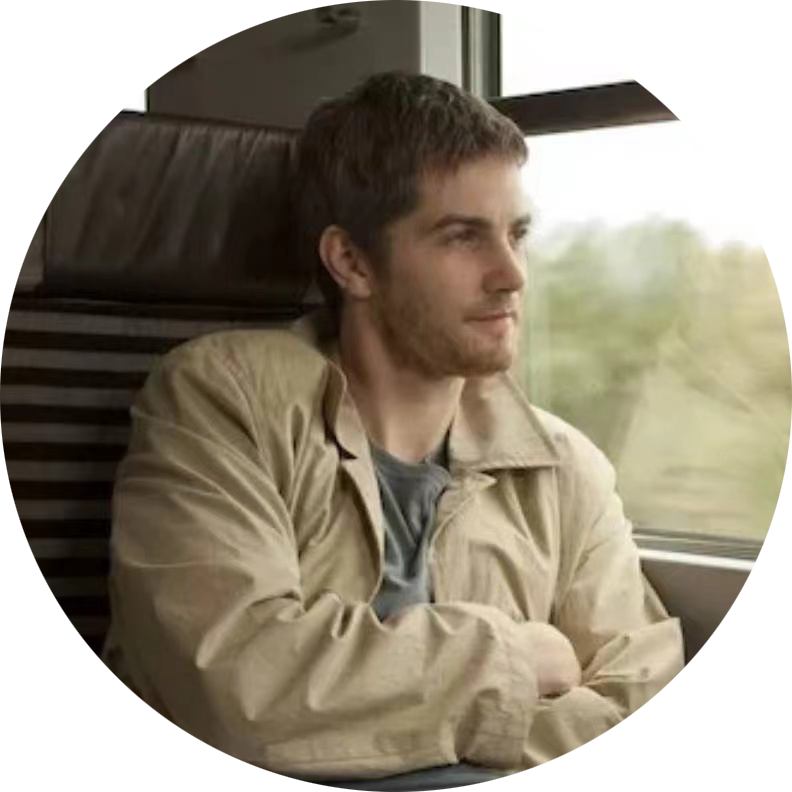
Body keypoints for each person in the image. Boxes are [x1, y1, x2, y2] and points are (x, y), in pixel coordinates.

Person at [103, 72, 684, 789]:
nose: (511, 275)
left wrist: (399, 726)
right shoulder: (221, 400)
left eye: (517, 234)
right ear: (352, 262)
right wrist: (511, 661)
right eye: (463, 237)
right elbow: (235, 692)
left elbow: (640, 712)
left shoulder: (565, 468)